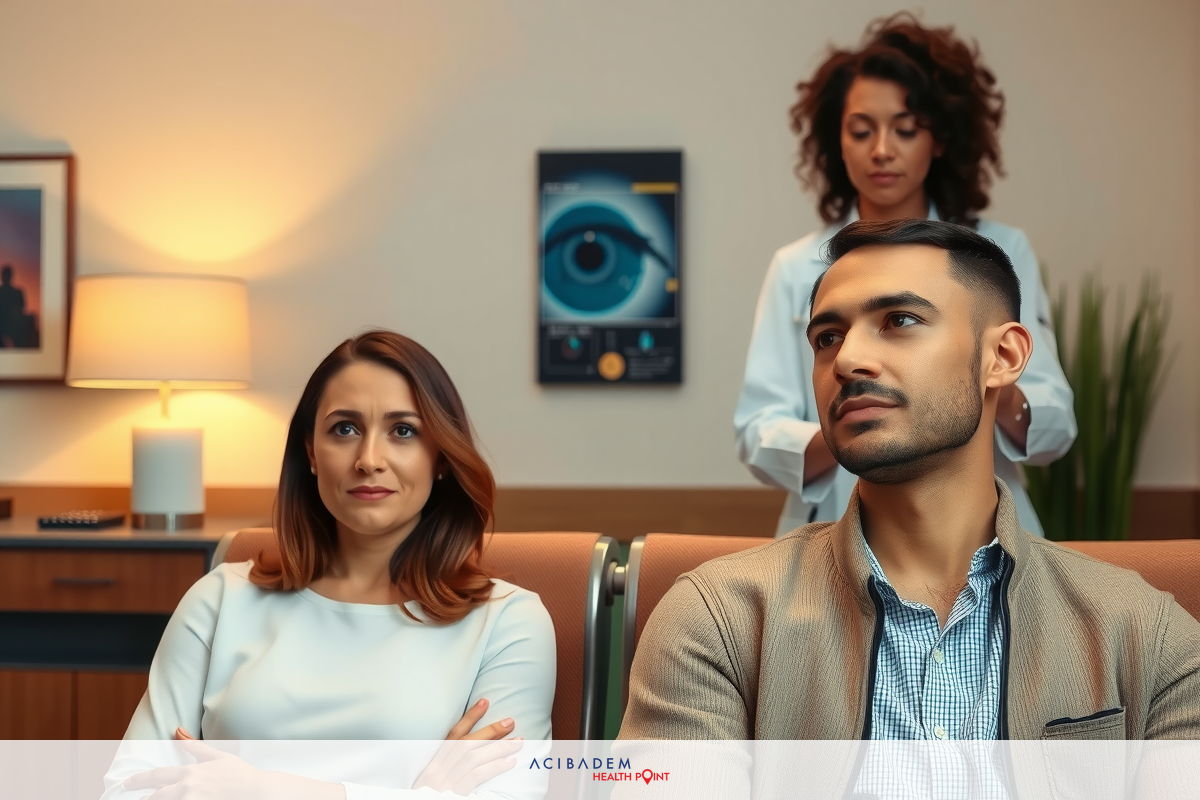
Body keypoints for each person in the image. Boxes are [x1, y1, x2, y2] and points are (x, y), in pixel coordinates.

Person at [621, 220, 1200, 753]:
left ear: (1003, 355)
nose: (847, 359)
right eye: (826, 338)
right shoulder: (718, 622)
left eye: (899, 321)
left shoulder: (1148, 637)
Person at [105, 330, 556, 799]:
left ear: (440, 457)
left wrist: (260, 788)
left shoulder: (509, 621)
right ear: (310, 452)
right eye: (345, 429)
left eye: (403, 431)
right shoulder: (220, 599)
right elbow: (128, 790)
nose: (369, 460)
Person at [735, 12, 1075, 537]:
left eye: (905, 129)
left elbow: (1054, 424)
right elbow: (759, 434)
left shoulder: (999, 252)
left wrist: (974, 387)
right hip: (833, 531)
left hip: (978, 532)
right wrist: (872, 425)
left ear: (937, 140)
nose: (882, 150)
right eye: (861, 130)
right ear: (837, 141)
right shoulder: (796, 266)